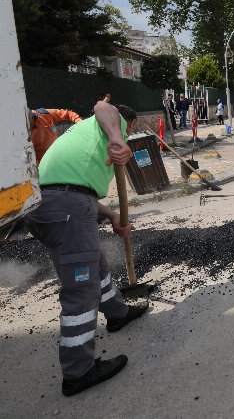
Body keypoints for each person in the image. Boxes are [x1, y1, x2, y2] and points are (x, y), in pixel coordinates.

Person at [24, 101, 150, 397]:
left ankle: (118, 313)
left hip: (51, 204)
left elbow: (77, 190)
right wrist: (119, 136)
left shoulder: (84, 137)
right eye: (128, 131)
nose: (125, 136)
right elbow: (102, 105)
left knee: (96, 265)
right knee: (81, 291)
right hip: (66, 208)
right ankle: (78, 371)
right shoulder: (110, 123)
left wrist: (113, 217)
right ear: (128, 125)